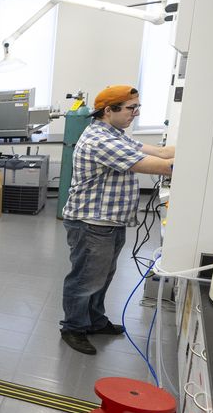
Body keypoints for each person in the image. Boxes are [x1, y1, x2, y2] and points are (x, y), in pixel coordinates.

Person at [60, 85, 174, 355]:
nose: (135, 113)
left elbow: (159, 153)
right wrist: (192, 163)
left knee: (102, 276)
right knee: (86, 279)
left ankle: (94, 320)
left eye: (137, 108)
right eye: (130, 108)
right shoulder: (101, 140)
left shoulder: (116, 134)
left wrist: (192, 151)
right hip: (92, 224)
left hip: (109, 221)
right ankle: (73, 327)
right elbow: (157, 165)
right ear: (108, 111)